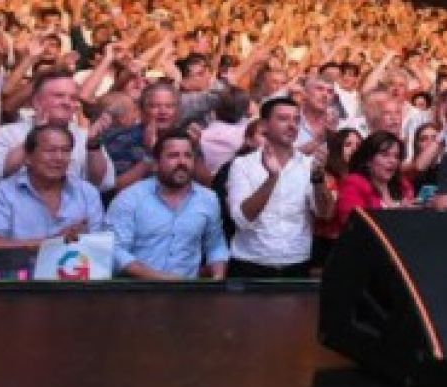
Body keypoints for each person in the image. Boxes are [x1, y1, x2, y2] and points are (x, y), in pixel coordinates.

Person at [224, 95, 330, 278]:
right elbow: (242, 219)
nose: (292, 125)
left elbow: (325, 213)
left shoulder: (309, 164)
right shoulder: (242, 165)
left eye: (296, 120)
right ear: (264, 125)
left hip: (296, 264)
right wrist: (272, 178)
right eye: (283, 119)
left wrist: (319, 179)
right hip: (251, 264)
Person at [106, 134, 228, 280]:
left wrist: (218, 276)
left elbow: (216, 245)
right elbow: (115, 250)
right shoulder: (130, 198)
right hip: (138, 293)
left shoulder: (208, 199)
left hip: (187, 294)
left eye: (188, 156)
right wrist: (160, 278)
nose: (182, 162)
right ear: (156, 164)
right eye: (173, 156)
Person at [0, 122, 104, 251]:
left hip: (77, 268)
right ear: (28, 157)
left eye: (66, 151)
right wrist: (52, 243)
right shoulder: (3, 193)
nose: (59, 158)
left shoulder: (87, 193)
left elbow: (99, 246)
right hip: (21, 268)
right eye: (50, 150)